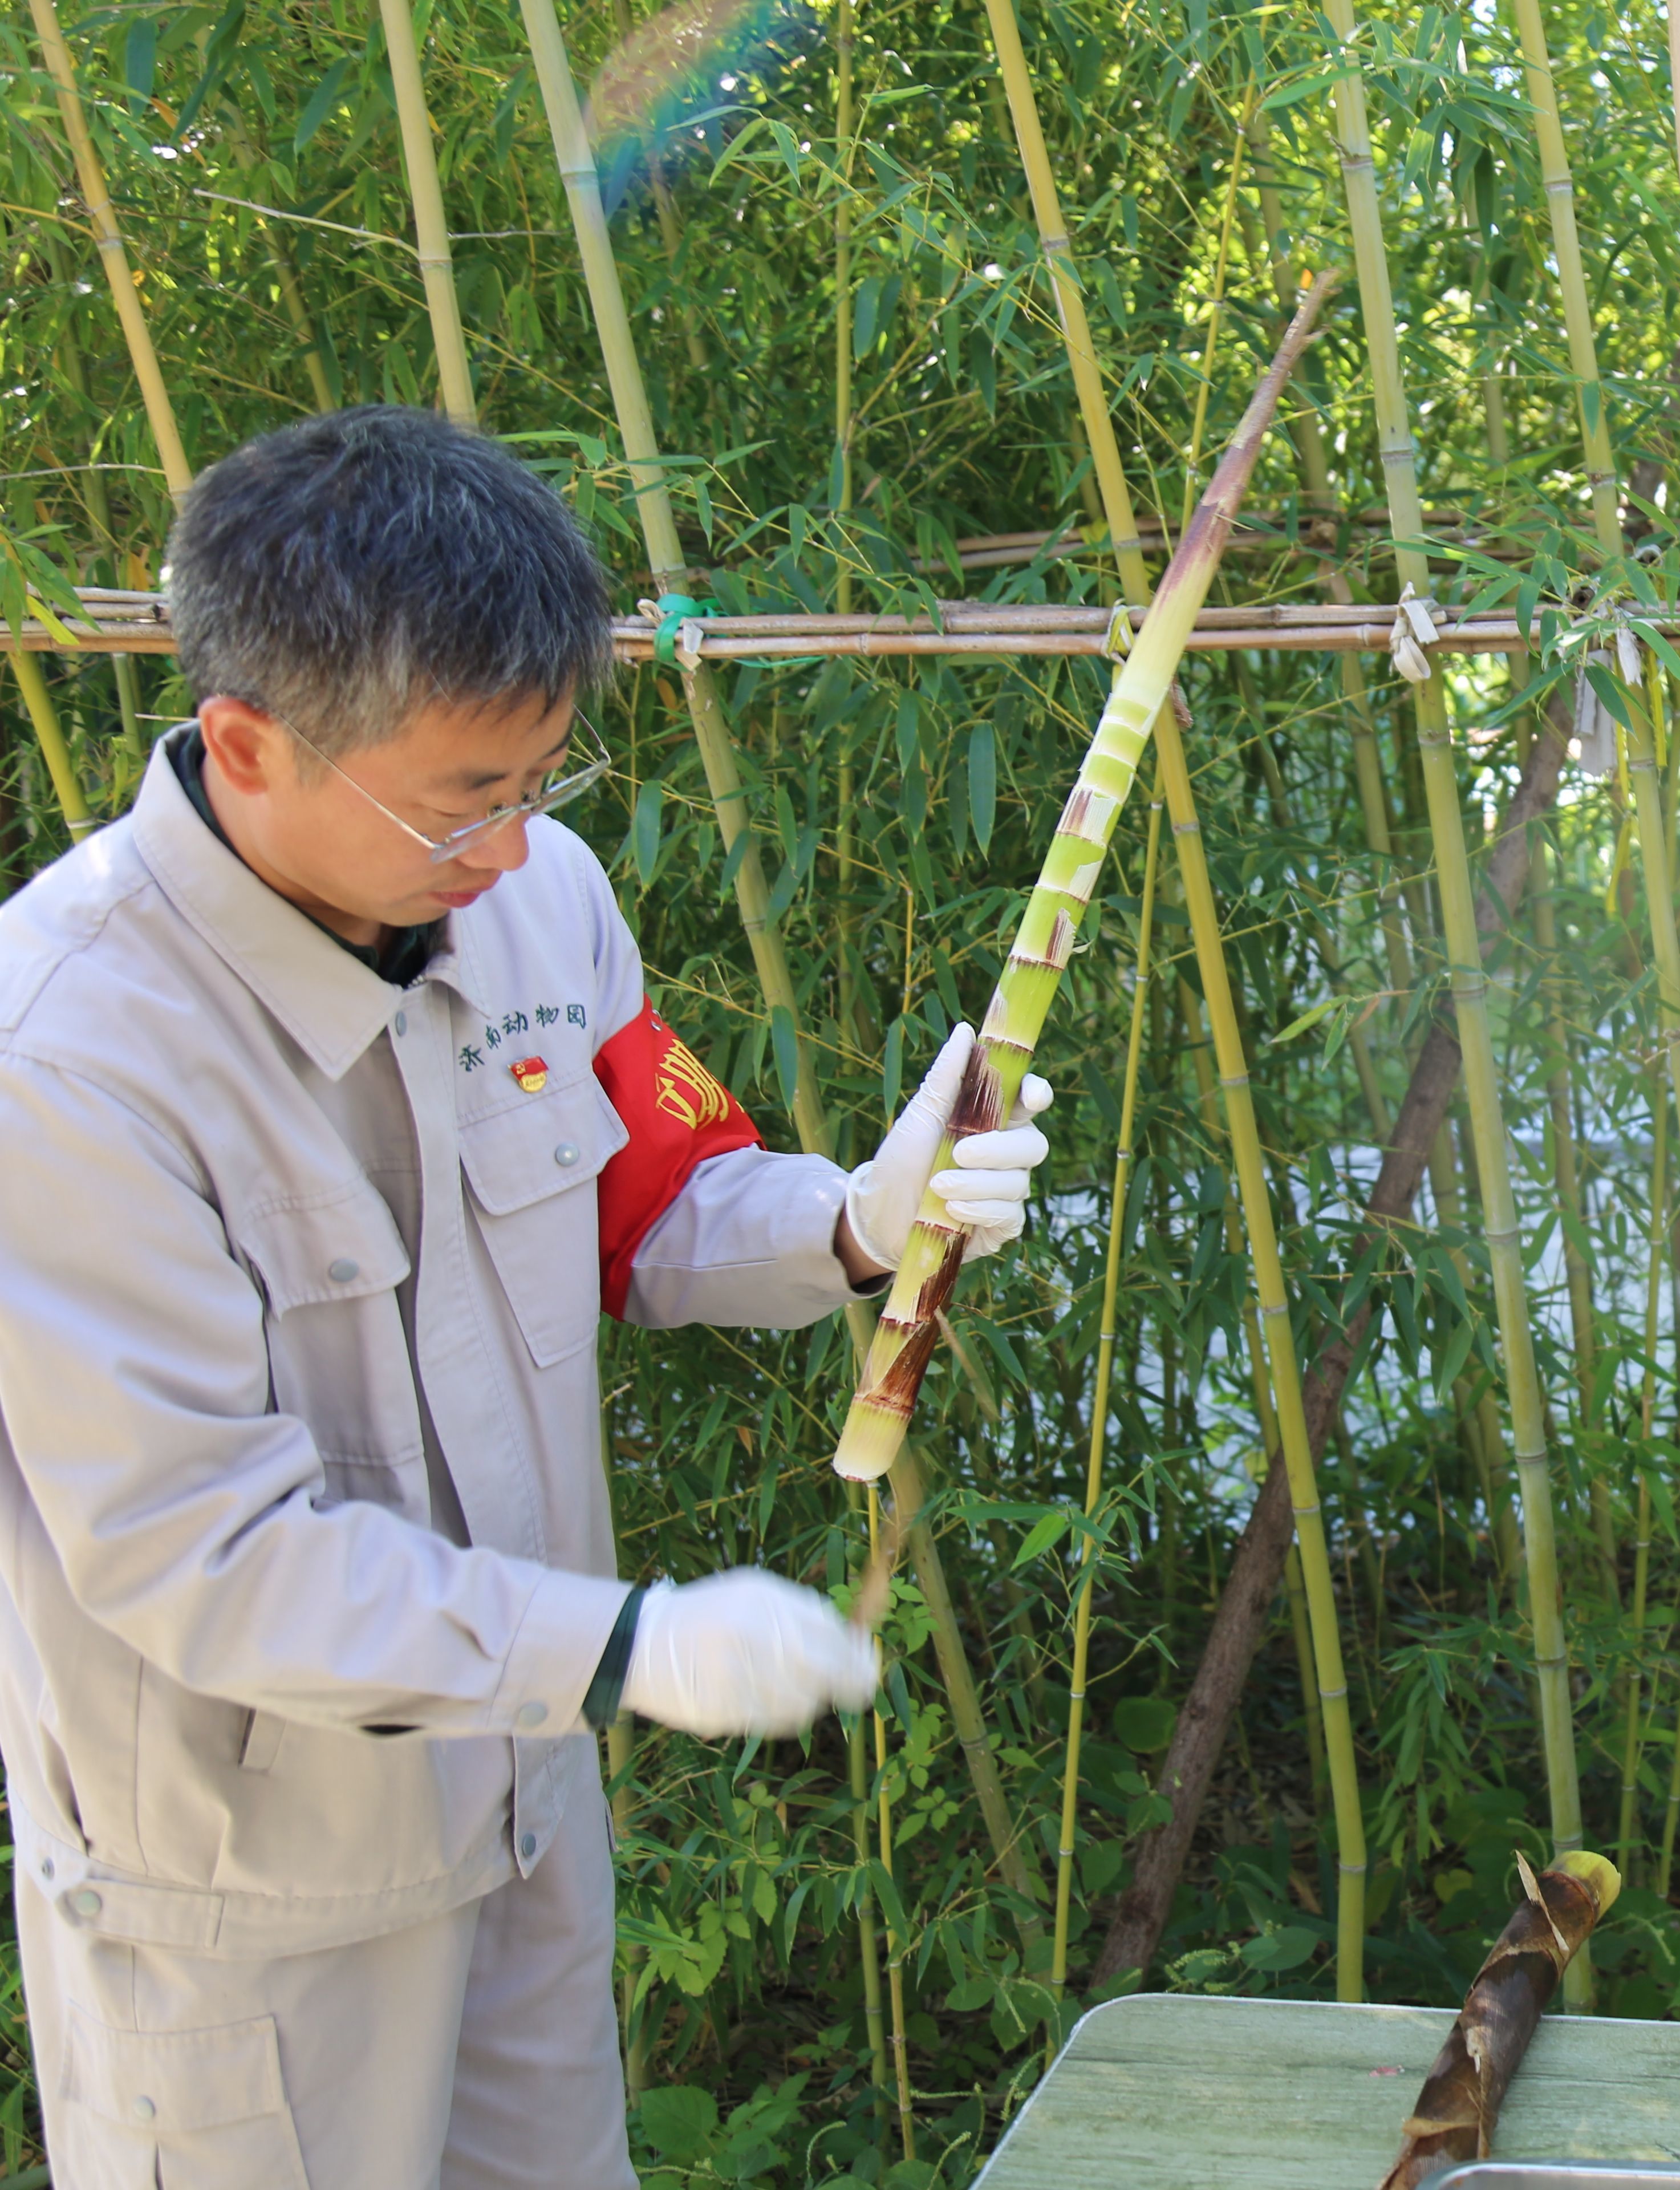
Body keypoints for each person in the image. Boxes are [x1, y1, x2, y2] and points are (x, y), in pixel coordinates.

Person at [0, 406, 1056, 2186]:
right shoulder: (66, 1059)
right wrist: (625, 1646)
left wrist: (862, 1223)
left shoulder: (536, 899)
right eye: (459, 800)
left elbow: (647, 1201)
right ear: (248, 746)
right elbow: (202, 1557)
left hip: (525, 1807)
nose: (508, 850)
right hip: (259, 1896)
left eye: (538, 779)